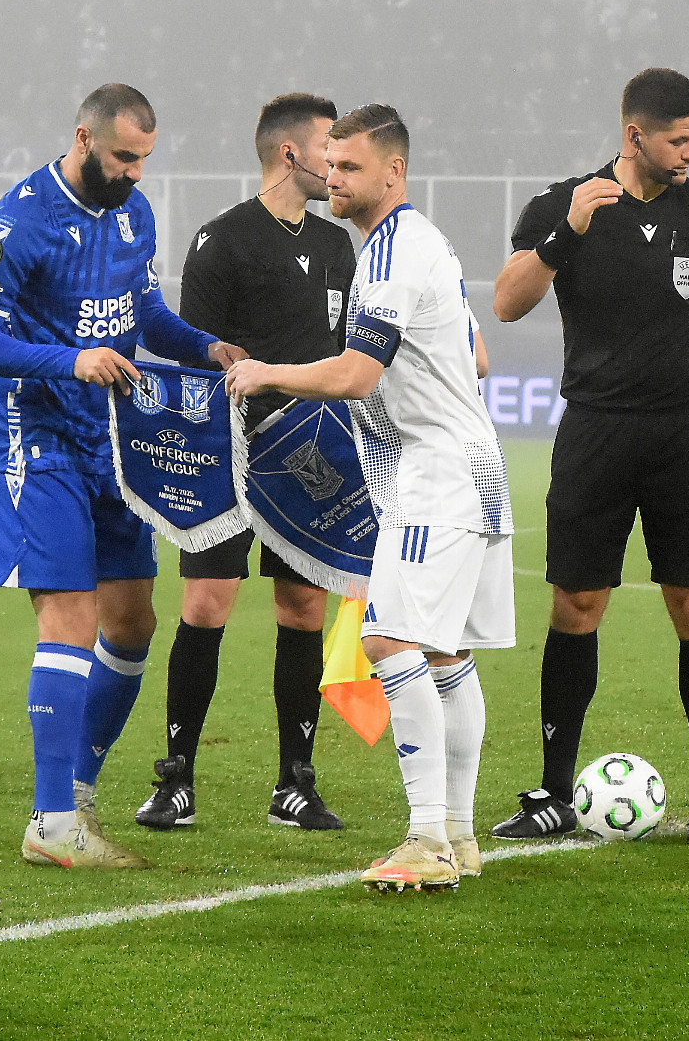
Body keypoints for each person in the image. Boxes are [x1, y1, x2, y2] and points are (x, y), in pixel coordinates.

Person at [0, 84, 244, 870]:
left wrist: (206, 346)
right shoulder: (18, 221)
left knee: (133, 624)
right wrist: (71, 360)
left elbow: (145, 314)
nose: (136, 172)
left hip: (113, 443)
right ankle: (51, 822)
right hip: (39, 440)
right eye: (124, 157)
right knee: (71, 619)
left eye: (144, 158)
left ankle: (76, 793)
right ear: (83, 138)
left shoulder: (133, 214)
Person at [227, 104, 512, 891]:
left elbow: (357, 375)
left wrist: (267, 371)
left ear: (395, 171)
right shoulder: (422, 242)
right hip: (473, 468)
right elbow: (478, 356)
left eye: (350, 166)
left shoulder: (390, 254)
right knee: (447, 654)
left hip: (435, 474)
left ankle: (426, 839)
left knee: (389, 641)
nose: (334, 178)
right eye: (331, 164)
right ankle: (458, 834)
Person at [489, 68, 689, 847]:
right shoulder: (564, 204)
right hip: (596, 430)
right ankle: (553, 792)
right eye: (678, 140)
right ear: (634, 134)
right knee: (575, 605)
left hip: (686, 434)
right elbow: (507, 302)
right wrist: (567, 232)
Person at [136, 93, 355, 833]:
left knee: (303, 609)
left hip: (310, 457)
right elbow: (197, 359)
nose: (338, 160)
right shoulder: (222, 240)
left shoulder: (337, 247)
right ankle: (176, 778)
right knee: (206, 605)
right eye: (329, 146)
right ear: (289, 153)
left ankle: (296, 782)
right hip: (228, 455)